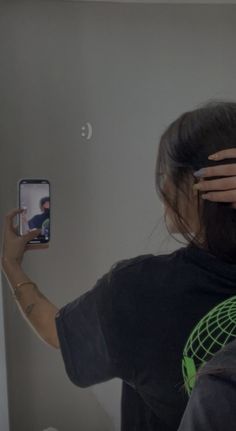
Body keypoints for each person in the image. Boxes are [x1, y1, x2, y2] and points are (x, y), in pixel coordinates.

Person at [2, 101, 236, 431]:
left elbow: (55, 330)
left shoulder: (140, 291)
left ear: (198, 185)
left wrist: (11, 266)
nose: (163, 186)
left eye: (165, 174)